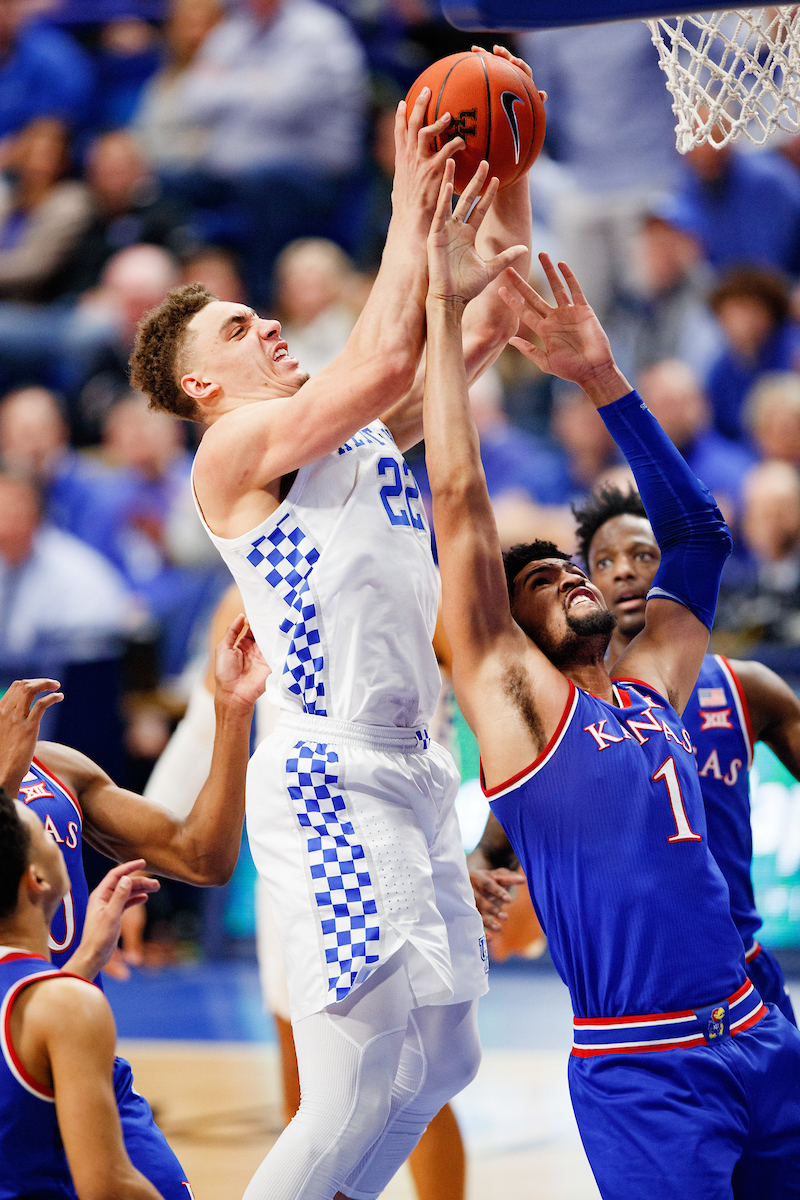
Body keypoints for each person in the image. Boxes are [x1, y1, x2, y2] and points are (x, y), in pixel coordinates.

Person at [128, 50, 535, 1200]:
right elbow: (386, 353)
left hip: (413, 765)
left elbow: (491, 307)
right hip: (330, 778)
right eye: (241, 328)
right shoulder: (231, 455)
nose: (266, 331)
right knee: (353, 1079)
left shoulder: (352, 430)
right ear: (202, 385)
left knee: (446, 1050)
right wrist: (406, 204)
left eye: (263, 318)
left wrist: (500, 174)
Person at [420, 197, 800, 1197]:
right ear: (516, 638)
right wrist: (439, 315)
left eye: (568, 569)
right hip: (645, 1066)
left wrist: (600, 379)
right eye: (542, 582)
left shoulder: (647, 689)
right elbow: (459, 515)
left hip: (759, 1031)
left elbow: (699, 539)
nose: (570, 577)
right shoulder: (522, 711)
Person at [0, 610, 268, 1200]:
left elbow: (203, 858)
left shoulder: (57, 766)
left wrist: (233, 711)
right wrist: (5, 777)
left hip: (75, 1042)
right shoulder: (15, 762)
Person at [571, 483, 796, 1022]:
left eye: (642, 554)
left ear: (672, 567)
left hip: (745, 972)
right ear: (589, 585)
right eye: (605, 561)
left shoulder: (747, 688)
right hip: (640, 996)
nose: (623, 570)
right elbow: (498, 844)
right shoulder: (569, 709)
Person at [0, 785, 164, 1199]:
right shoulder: (68, 1005)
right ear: (36, 877)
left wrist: (88, 956)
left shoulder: (50, 1002)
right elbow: (107, 1187)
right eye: (46, 835)